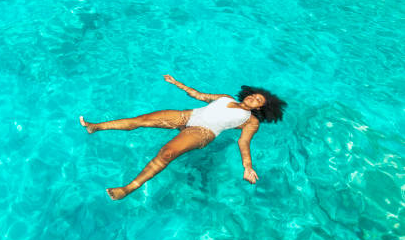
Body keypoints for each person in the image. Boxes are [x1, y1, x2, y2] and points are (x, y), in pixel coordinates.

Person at [79, 74, 287, 200]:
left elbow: (244, 143)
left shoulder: (251, 121)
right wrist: (176, 82)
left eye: (258, 99)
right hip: (187, 116)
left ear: (261, 107)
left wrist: (247, 166)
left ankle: (129, 188)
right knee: (141, 120)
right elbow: (198, 95)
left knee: (167, 153)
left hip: (203, 133)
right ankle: (95, 127)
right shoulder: (226, 98)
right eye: (253, 94)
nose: (252, 98)